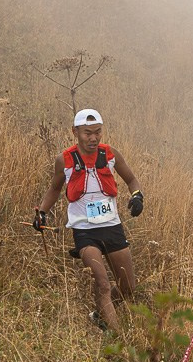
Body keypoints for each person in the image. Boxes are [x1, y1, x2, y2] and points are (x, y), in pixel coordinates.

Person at [34, 108, 144, 331]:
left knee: (128, 288)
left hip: (112, 226)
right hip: (84, 231)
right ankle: (116, 337)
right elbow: (54, 189)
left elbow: (132, 180)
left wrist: (137, 196)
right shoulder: (63, 160)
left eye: (98, 132)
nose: (93, 138)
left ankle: (100, 314)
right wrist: (41, 212)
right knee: (103, 284)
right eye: (87, 133)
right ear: (75, 132)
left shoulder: (110, 154)